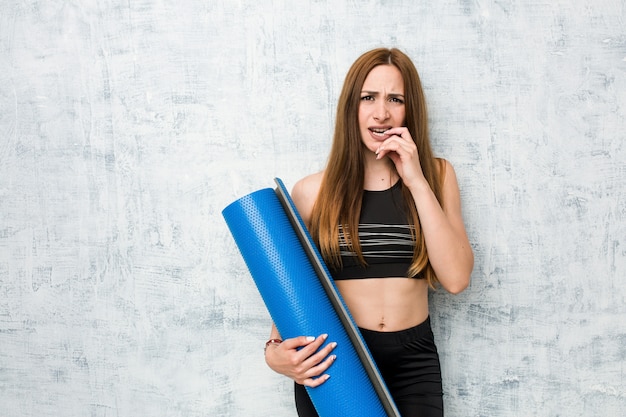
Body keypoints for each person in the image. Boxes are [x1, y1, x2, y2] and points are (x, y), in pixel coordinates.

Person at [264, 48, 474, 417]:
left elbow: (456, 278)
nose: (382, 113)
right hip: (336, 360)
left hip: (414, 364)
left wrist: (416, 181)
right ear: (351, 107)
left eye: (396, 99)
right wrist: (274, 354)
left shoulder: (438, 177)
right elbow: (291, 293)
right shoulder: (312, 192)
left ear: (411, 110)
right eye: (368, 98)